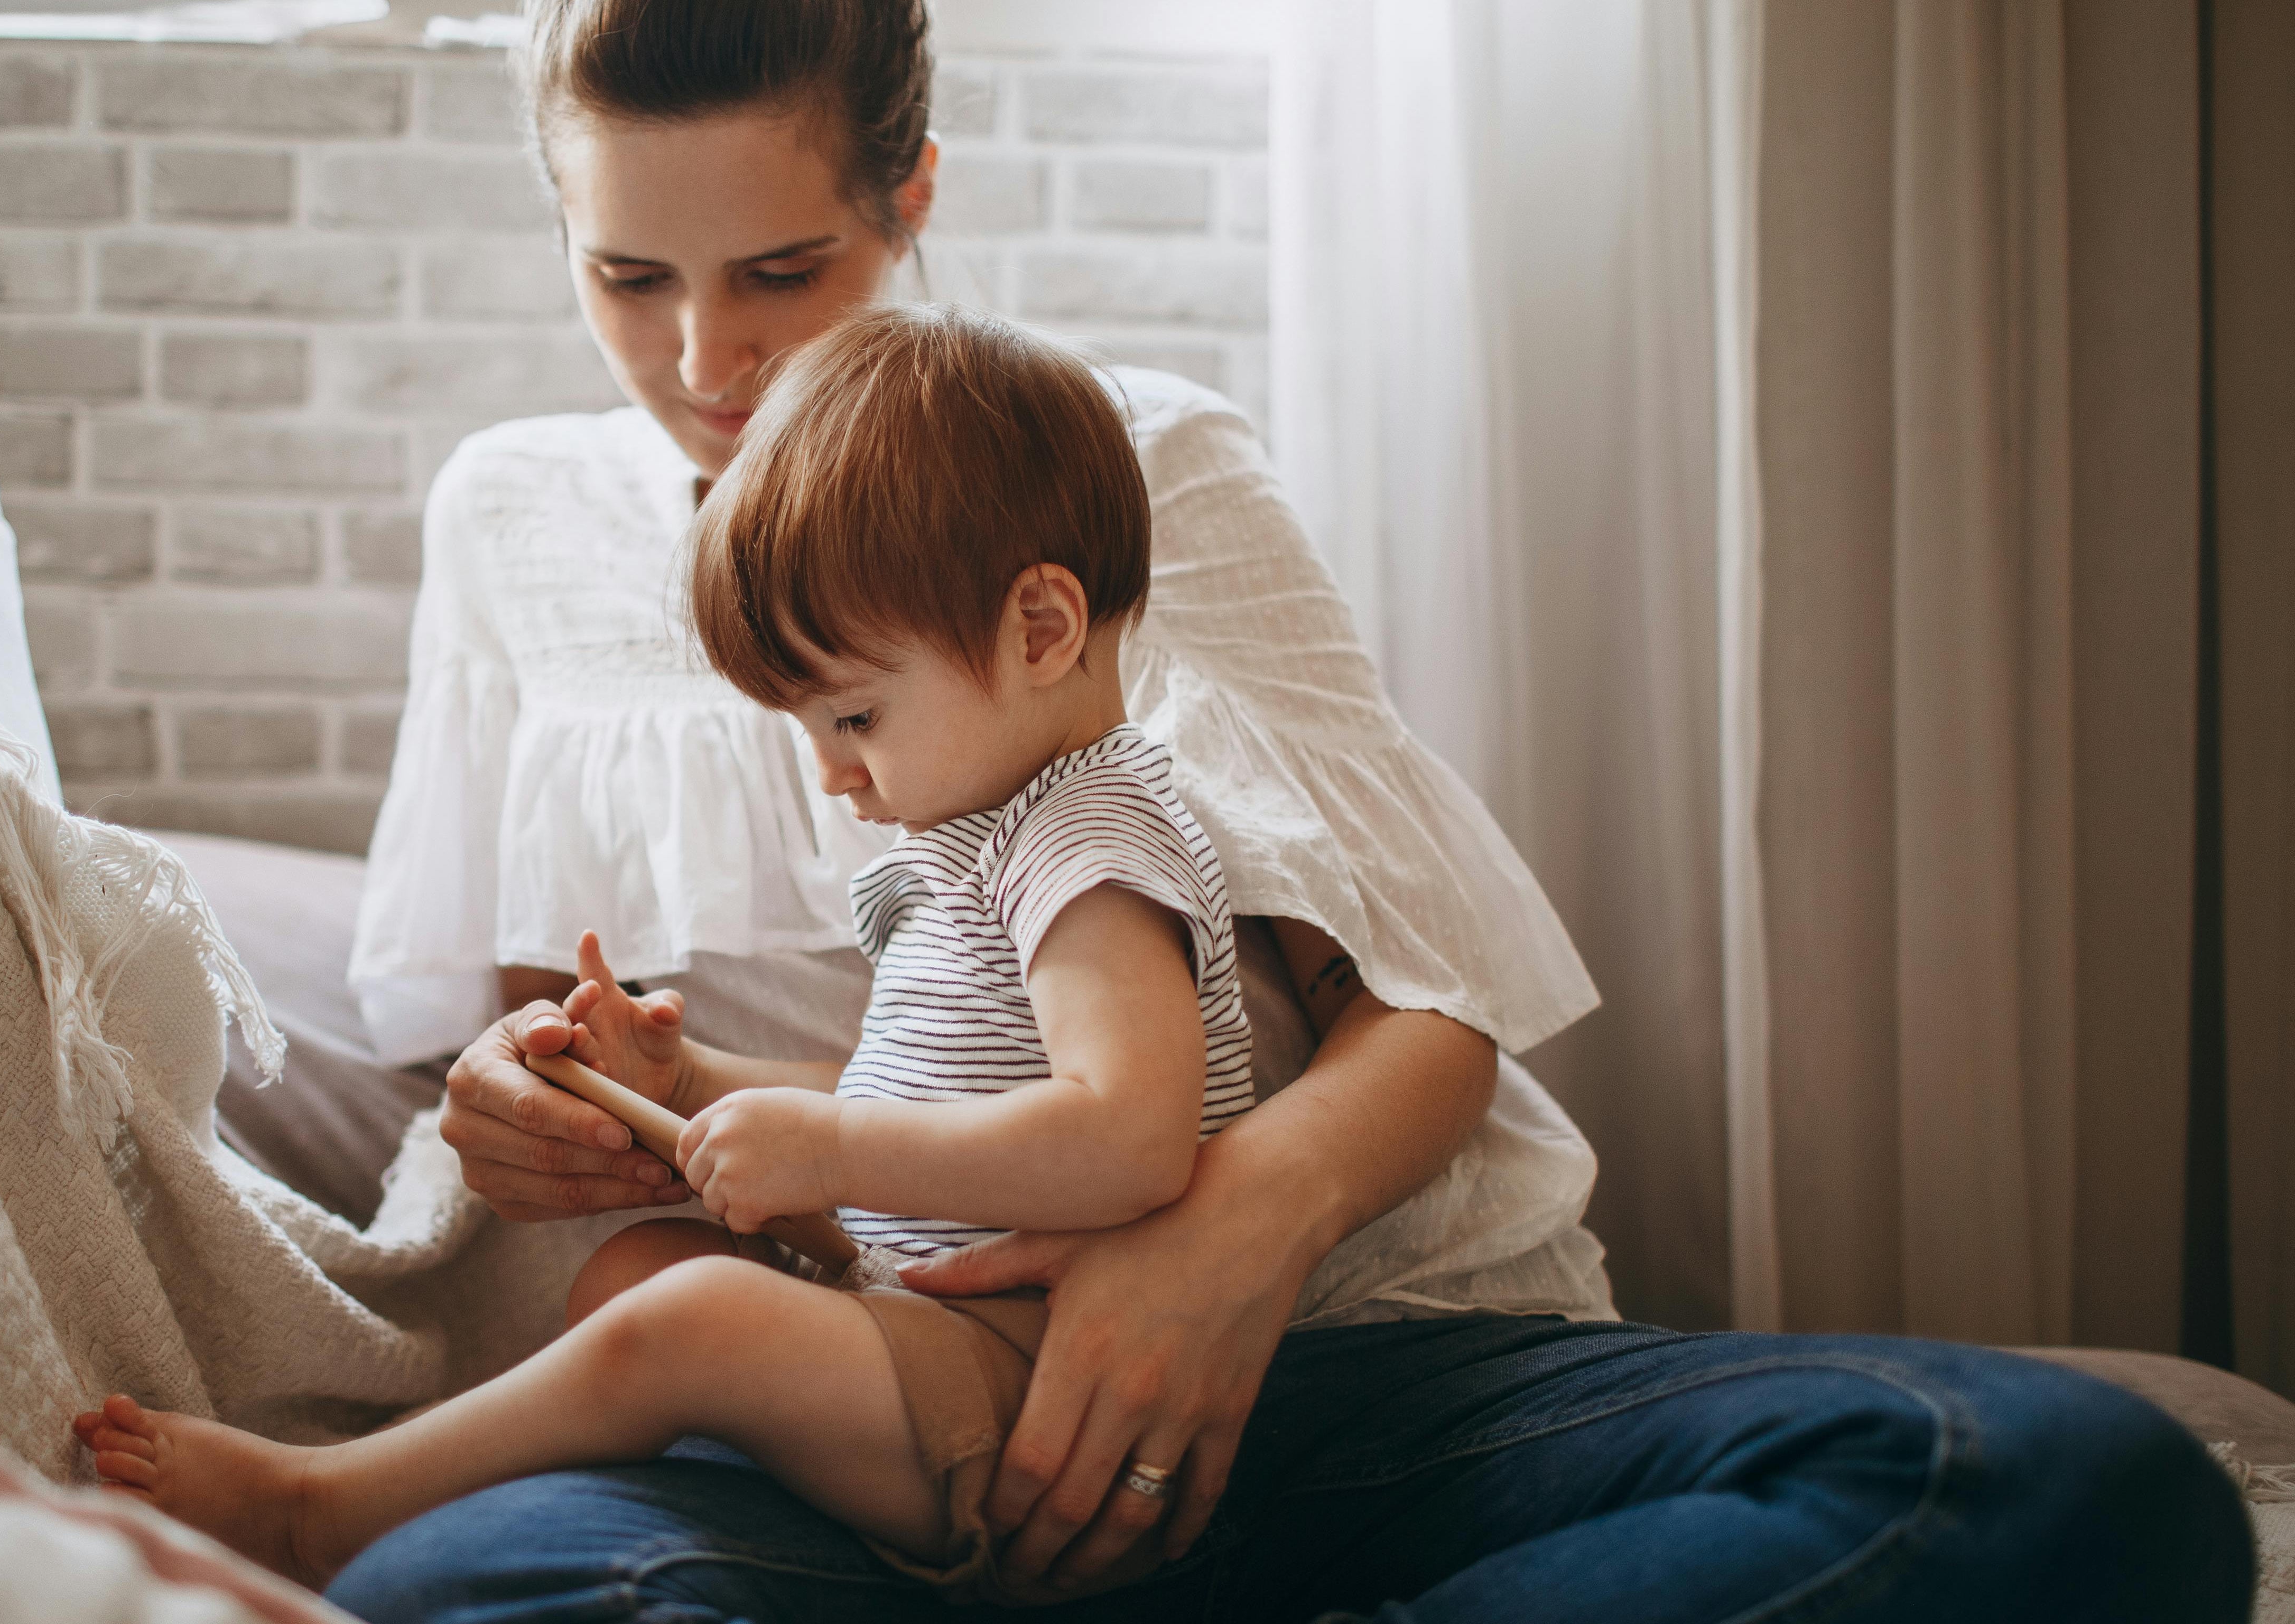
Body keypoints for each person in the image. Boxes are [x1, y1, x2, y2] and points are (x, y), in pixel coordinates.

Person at [331, 1, 2254, 1618]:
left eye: (781, 272)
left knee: (2058, 1477)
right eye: (629, 279)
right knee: (446, 1585)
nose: (707, 362)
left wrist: (1210, 1238)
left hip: (1335, 1369)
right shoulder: (511, 521)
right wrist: (546, 1096)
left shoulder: (1120, 465)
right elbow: (553, 1039)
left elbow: (1439, 994)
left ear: (909, 199)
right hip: (883, 1420)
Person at [81, 304, 1268, 1598]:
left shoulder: (1090, 847)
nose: (833, 772)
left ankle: (318, 1509)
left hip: (1039, 1389)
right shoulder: (990, 832)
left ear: (1041, 629)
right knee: (639, 1275)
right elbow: (932, 1099)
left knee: (692, 1324)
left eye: (856, 716)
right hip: (938, 1322)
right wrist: (694, 1080)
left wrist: (834, 1151)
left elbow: (1130, 1135)